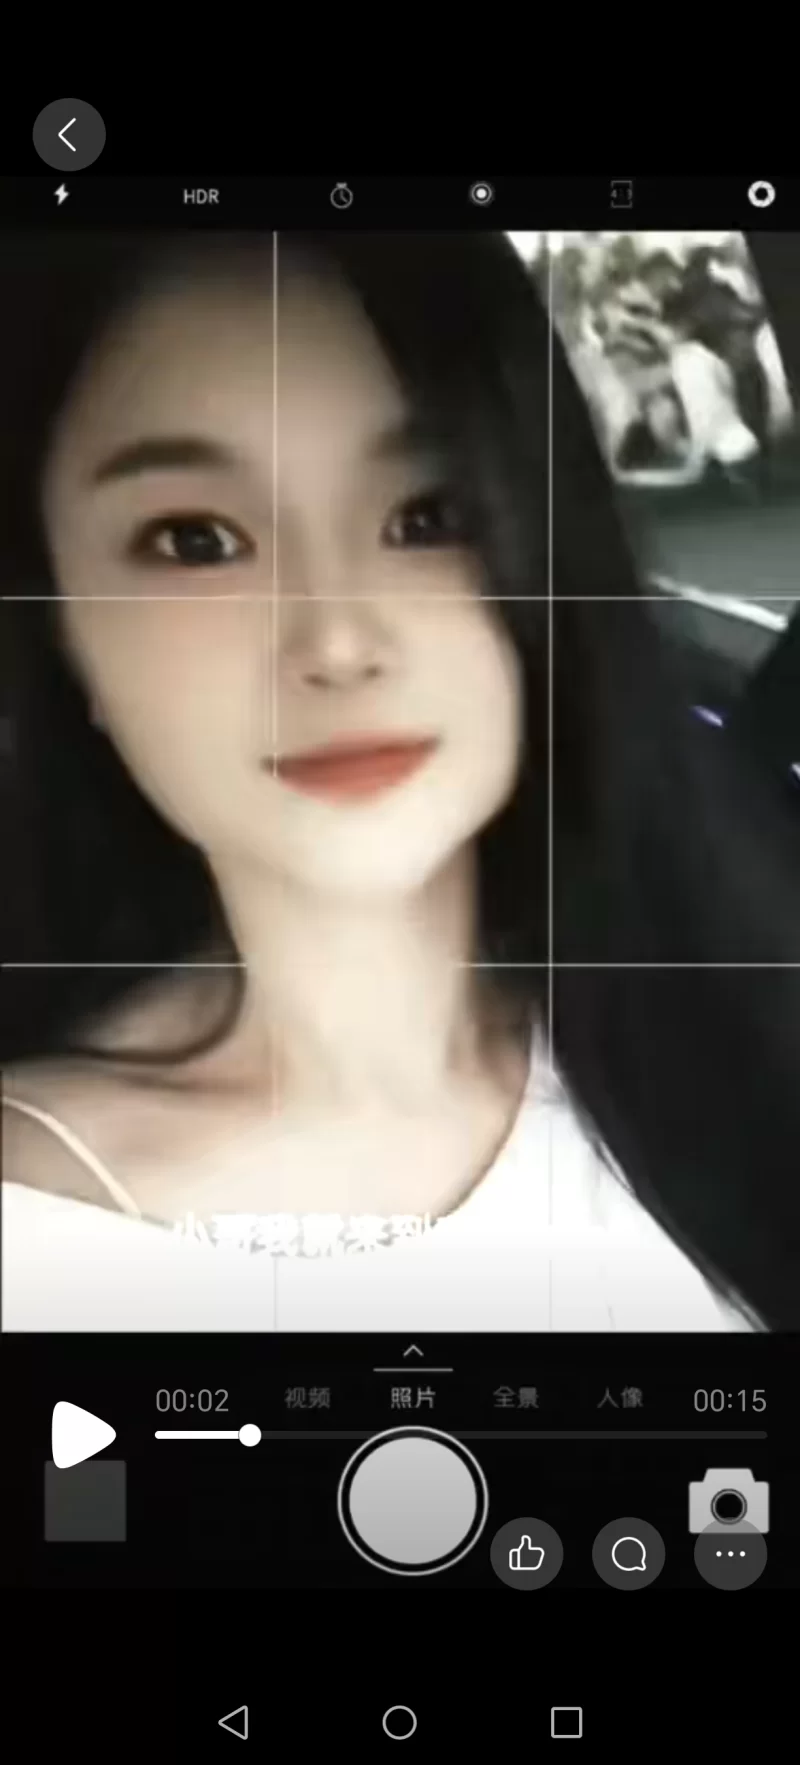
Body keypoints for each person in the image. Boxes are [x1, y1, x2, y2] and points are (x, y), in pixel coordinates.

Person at [2, 231, 799, 1333]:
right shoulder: (38, 1226)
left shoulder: (723, 1026)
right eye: (193, 540)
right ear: (63, 634)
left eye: (429, 518)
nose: (337, 641)